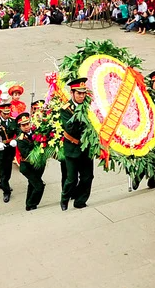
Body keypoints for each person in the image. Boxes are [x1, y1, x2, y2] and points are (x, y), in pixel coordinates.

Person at [60, 78, 94, 210]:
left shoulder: (89, 105)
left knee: (87, 177)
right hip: (72, 148)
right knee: (71, 178)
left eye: (83, 93)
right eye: (79, 93)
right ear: (72, 93)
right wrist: (83, 122)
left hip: (86, 148)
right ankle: (64, 198)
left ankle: (80, 201)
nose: (81, 96)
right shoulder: (66, 109)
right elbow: (70, 129)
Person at [0, 101, 19, 203]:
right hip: (0, 150)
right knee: (3, 172)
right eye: (5, 113)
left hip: (10, 148)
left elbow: (19, 132)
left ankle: (3, 183)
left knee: (8, 171)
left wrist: (16, 140)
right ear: (0, 113)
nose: (7, 115)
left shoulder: (12, 121)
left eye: (8, 113)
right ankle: (6, 192)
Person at [16, 112, 46, 211]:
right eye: (23, 125)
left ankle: (29, 203)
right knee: (39, 186)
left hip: (39, 165)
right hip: (28, 166)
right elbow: (26, 154)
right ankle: (31, 204)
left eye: (27, 124)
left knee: (32, 184)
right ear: (20, 126)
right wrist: (37, 144)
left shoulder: (37, 132)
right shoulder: (20, 140)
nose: (26, 127)